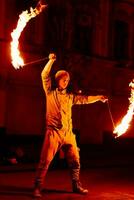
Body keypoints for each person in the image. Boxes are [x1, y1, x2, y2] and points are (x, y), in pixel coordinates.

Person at [33, 53, 108, 197]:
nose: (66, 81)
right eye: (63, 79)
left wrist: (98, 98)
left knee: (75, 160)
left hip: (68, 134)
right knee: (45, 161)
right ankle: (37, 187)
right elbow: (44, 75)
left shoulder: (70, 97)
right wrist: (50, 61)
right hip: (53, 133)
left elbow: (84, 99)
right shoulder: (50, 93)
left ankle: (76, 185)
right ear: (57, 81)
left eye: (67, 80)